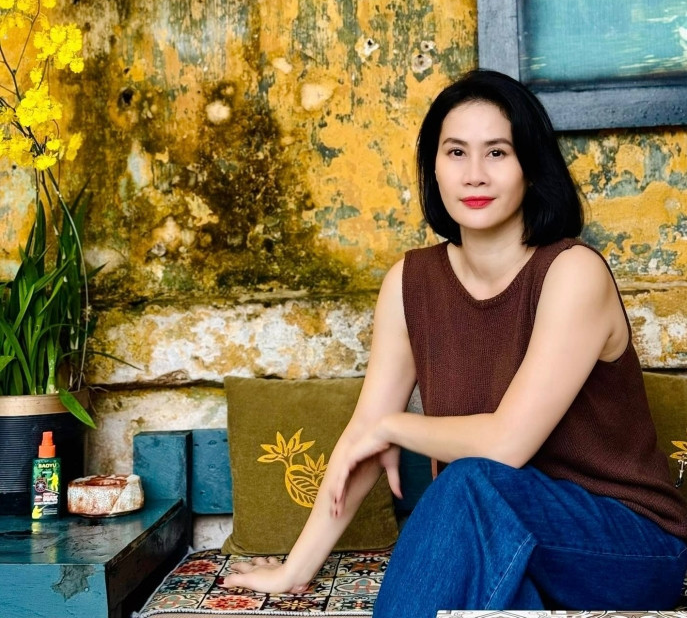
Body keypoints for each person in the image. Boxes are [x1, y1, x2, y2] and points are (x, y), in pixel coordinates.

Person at [223, 68, 687, 612]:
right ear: (434, 168)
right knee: (489, 571)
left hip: (626, 546)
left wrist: (393, 427)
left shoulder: (572, 273)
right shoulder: (409, 284)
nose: (474, 175)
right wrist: (294, 570)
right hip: (501, 545)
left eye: (497, 153)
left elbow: (505, 447)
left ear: (531, 167)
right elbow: (361, 441)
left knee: (471, 482)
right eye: (456, 153)